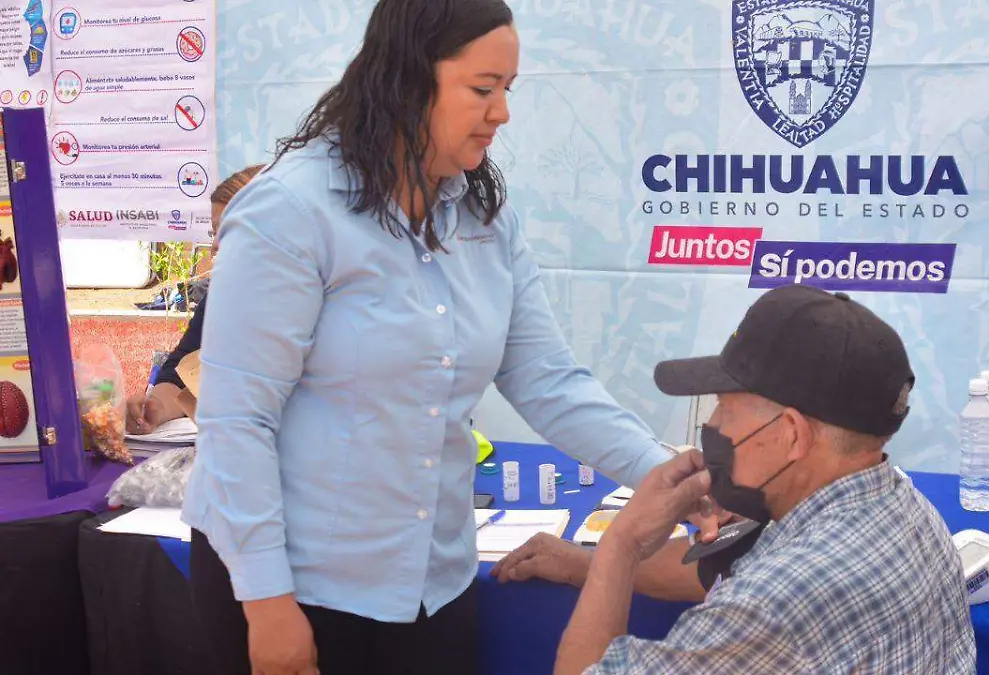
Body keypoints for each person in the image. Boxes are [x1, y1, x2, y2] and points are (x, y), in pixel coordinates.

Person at [179, 2, 688, 674]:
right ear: (407, 80)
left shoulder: (481, 216)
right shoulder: (291, 211)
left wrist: (670, 477)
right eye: (482, 89)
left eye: (508, 89)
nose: (501, 112)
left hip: (432, 584)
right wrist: (267, 600)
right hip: (295, 589)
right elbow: (236, 420)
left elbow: (547, 379)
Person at [536, 285, 977, 674]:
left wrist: (621, 543)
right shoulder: (907, 508)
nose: (712, 424)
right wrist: (582, 564)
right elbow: (727, 569)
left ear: (790, 434)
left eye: (726, 407)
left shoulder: (772, 607)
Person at [125, 164, 264, 434]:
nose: (215, 245)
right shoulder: (221, 299)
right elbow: (178, 374)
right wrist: (155, 408)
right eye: (214, 232)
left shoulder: (318, 309)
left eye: (232, 231)